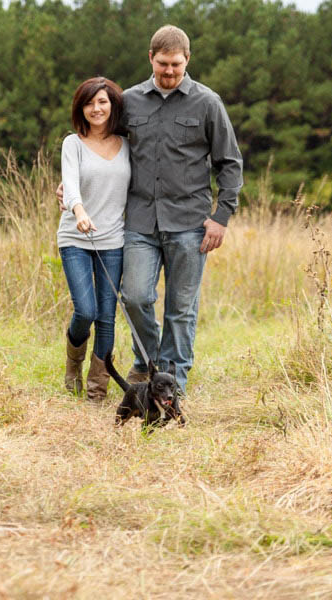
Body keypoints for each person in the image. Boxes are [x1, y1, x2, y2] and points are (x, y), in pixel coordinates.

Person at [117, 25, 243, 394]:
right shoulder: (128, 101)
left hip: (190, 224)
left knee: (181, 309)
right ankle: (147, 362)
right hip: (139, 220)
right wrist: (72, 182)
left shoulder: (208, 103)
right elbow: (101, 146)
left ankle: (173, 387)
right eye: (161, 64)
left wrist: (221, 218)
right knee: (136, 297)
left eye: (175, 64)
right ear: (150, 59)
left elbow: (230, 163)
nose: (168, 71)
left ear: (187, 60)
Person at [58, 77, 130, 401]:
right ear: (80, 108)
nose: (95, 108)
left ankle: (96, 391)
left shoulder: (128, 144)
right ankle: (73, 365)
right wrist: (78, 210)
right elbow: (70, 183)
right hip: (75, 236)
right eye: (89, 103)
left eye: (102, 101)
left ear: (112, 105)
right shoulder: (72, 143)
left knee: (106, 316)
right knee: (85, 310)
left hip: (113, 241)